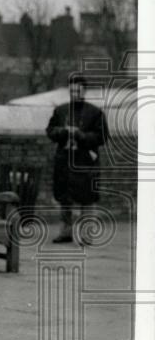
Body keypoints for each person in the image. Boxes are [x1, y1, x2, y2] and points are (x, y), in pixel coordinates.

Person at [46, 79, 107, 243]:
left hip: (85, 161)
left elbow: (102, 137)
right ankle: (66, 232)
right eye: (72, 91)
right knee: (64, 198)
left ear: (84, 91)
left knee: (87, 198)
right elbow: (50, 131)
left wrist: (81, 135)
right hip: (65, 160)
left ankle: (87, 234)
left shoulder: (95, 113)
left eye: (78, 91)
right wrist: (63, 131)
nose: (75, 94)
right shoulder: (61, 110)